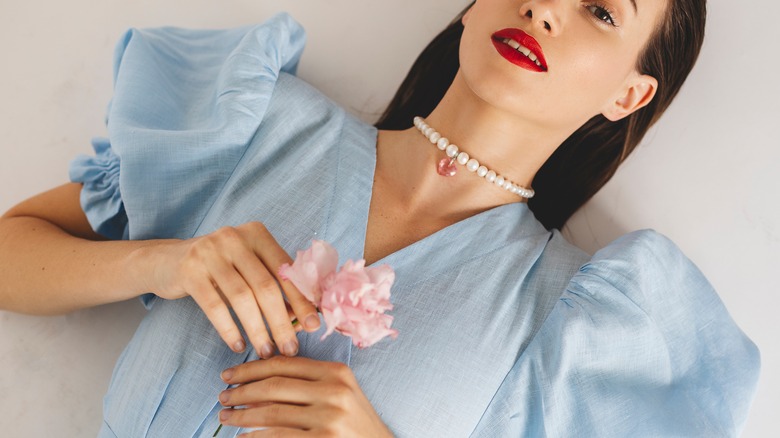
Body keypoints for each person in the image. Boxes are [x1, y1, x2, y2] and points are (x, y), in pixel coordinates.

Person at [0, 0, 761, 436]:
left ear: (629, 95)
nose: (545, 6)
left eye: (599, 10)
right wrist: (167, 262)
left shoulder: (569, 327)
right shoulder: (258, 123)